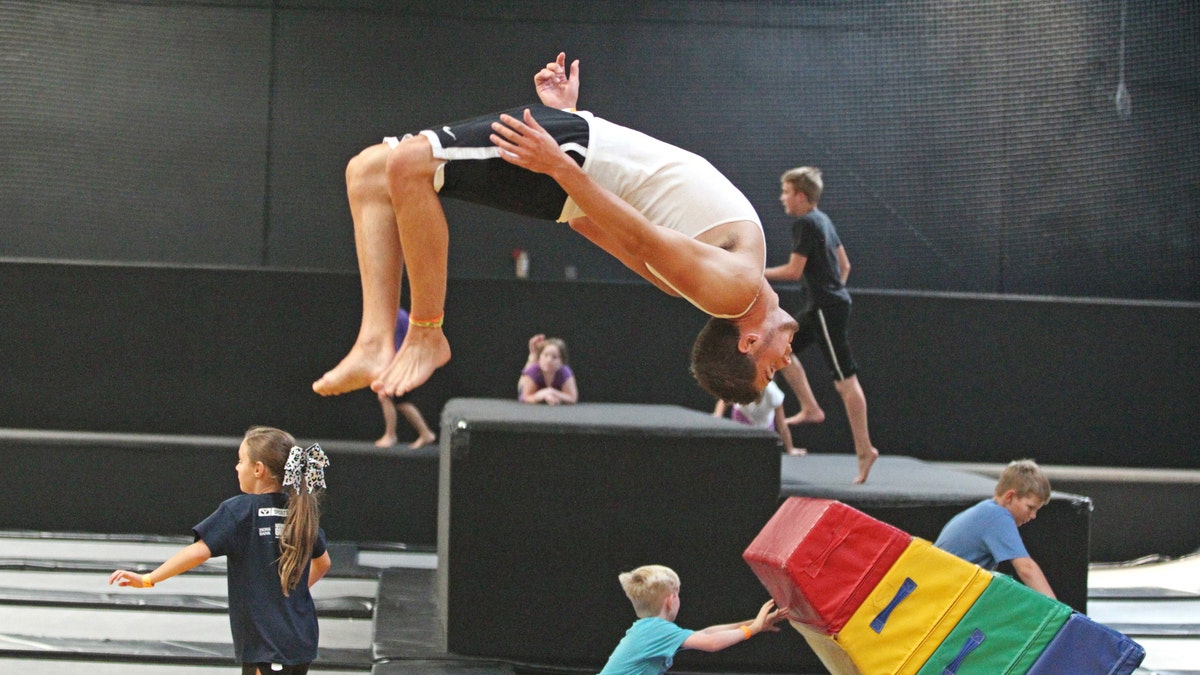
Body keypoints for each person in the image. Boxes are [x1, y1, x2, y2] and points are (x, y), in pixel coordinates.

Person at [311, 52, 797, 406]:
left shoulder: (735, 292)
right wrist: (566, 121)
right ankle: (375, 339)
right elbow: (598, 226)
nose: (788, 361)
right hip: (577, 165)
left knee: (406, 165)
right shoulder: (703, 283)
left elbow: (638, 237)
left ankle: (425, 332)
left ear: (748, 343)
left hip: (577, 163)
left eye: (773, 367)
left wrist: (561, 163)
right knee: (370, 170)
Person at [109, 427, 333, 675]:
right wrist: (287, 594)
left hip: (268, 644)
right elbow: (323, 563)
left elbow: (198, 552)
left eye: (240, 461)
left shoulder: (240, 511)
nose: (237, 467)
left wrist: (148, 579)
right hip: (301, 638)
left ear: (258, 470)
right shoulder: (300, 513)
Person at [763, 166, 879, 484]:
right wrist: (834, 291)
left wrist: (757, 272)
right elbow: (845, 265)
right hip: (822, 307)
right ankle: (811, 407)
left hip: (825, 309)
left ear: (801, 196)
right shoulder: (823, 220)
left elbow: (793, 271)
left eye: (786, 192)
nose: (782, 198)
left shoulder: (806, 222)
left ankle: (864, 450)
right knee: (779, 349)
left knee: (845, 381)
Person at [599, 564, 788, 674]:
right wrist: (752, 629)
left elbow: (706, 633)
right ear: (671, 601)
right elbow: (712, 642)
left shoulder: (650, 630)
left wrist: (755, 623)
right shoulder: (655, 630)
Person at [934, 459, 1057, 598]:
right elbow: (1026, 568)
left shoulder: (985, 510)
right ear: (1010, 496)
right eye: (1030, 507)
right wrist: (1061, 613)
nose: (1033, 516)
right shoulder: (997, 516)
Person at [375, 307, 438, 448]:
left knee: (389, 398)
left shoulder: (397, 317)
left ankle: (391, 435)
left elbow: (398, 343)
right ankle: (425, 433)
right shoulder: (398, 316)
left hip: (399, 364)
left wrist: (393, 366)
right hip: (400, 363)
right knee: (398, 402)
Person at [713, 379, 804, 455]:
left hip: (765, 426)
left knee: (762, 453)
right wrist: (716, 420)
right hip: (742, 417)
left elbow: (781, 425)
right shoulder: (741, 387)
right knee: (740, 449)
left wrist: (790, 449)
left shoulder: (773, 393)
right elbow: (723, 402)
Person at [518, 333, 579, 405]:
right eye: (545, 355)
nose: (549, 360)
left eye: (554, 357)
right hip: (529, 387)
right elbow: (526, 397)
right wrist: (541, 396)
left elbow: (572, 398)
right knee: (524, 379)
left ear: (562, 361)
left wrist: (552, 392)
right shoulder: (533, 371)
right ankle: (532, 357)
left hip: (551, 393)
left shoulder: (565, 372)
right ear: (540, 357)